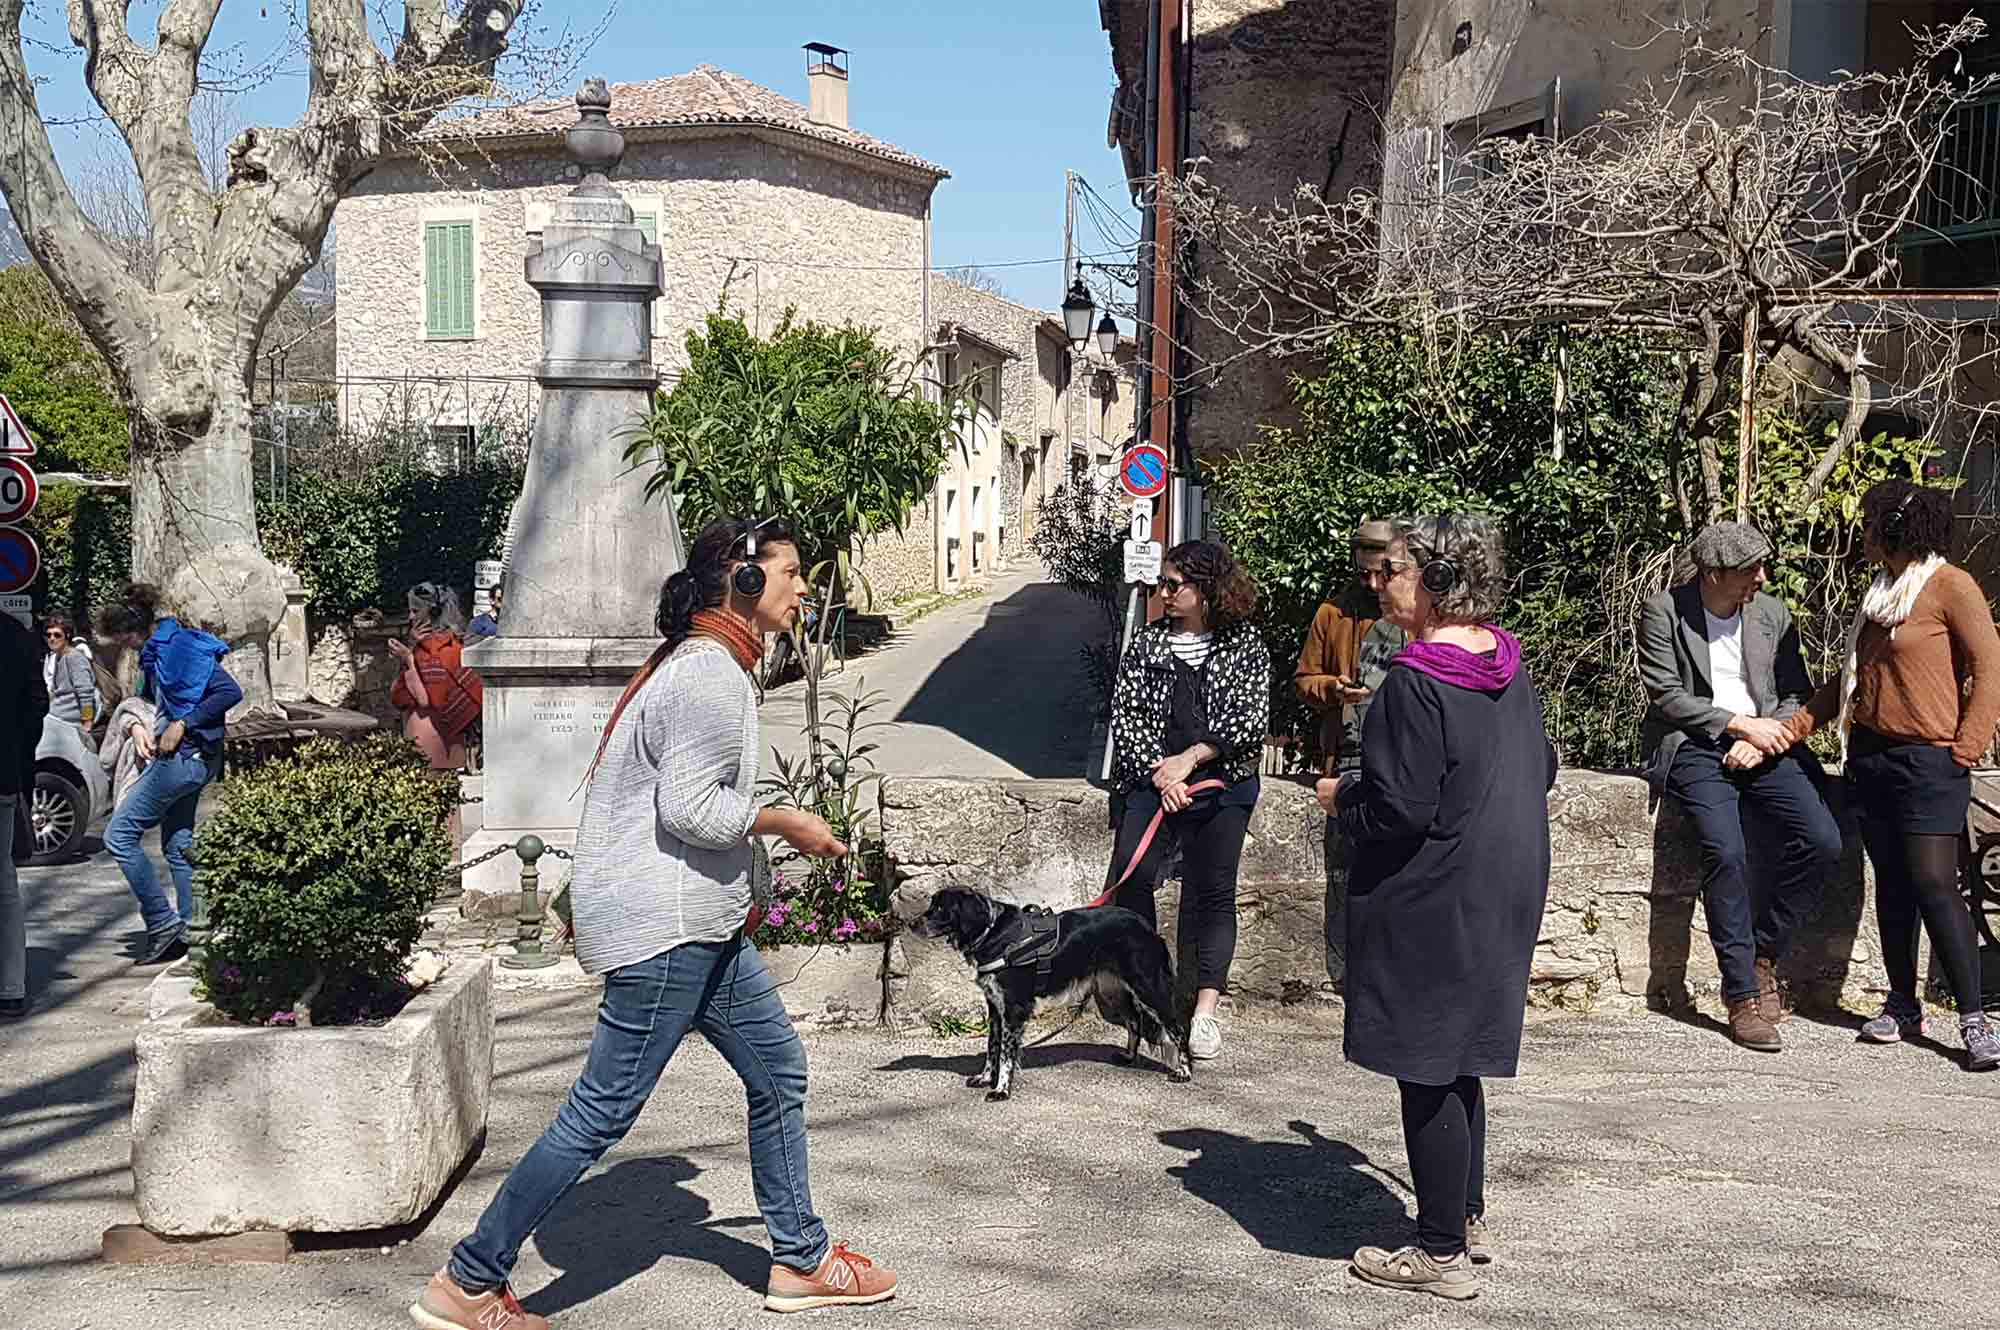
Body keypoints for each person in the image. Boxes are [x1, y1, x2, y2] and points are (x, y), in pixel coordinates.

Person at [411, 518, 898, 1330]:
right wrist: (786, 822)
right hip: (668, 929)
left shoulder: (703, 664)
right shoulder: (710, 673)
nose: (804, 587)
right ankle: (469, 1280)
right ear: (742, 585)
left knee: (779, 1074)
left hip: (699, 925)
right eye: (790, 572)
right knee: (601, 1109)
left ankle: (801, 1259)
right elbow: (693, 809)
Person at [1316, 515, 1553, 1302]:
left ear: (1442, 582)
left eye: (1395, 570)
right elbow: (1542, 766)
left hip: (1434, 887)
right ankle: (1464, 1214)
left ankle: (1440, 1252)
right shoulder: (1507, 663)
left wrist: (1340, 797)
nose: (1377, 583)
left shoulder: (1418, 682)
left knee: (1426, 1063)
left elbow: (1400, 810)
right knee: (1462, 1057)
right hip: (1506, 878)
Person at [1777, 480, 2000, 1073]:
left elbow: (1989, 664)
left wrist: (1966, 747)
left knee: (1934, 882)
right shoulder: (1881, 596)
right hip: (1871, 756)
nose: (1864, 534)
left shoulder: (1951, 586)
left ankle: (1975, 1019)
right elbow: (1850, 680)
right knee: (1894, 885)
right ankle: (1903, 1005)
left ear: (1895, 531)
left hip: (1930, 760)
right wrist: (1797, 725)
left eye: (1872, 524)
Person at [1634, 521, 1843, 1051]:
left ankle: (1763, 952)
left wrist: (1764, 735)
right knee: (1726, 853)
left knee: (1823, 840)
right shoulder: (1665, 611)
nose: (1762, 576)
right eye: (1751, 568)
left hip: (1764, 741)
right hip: (1696, 744)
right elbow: (1665, 695)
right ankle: (1742, 995)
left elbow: (1798, 692)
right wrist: (1736, 724)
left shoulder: (1771, 613)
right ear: (1713, 574)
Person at [1105, 539, 1270, 1063]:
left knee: (1211, 892)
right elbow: (1125, 716)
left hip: (1223, 784)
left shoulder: (1244, 645)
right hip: (1155, 781)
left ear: (1206, 591)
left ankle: (1203, 1014)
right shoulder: (1148, 643)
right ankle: (1150, 997)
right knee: (1131, 879)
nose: (1164, 593)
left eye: (1174, 585)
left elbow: (1249, 719)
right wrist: (1164, 776)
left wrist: (1192, 760)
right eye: (1163, 583)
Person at [97, 584, 242, 966]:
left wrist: (182, 723)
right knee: (178, 843)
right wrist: (140, 726)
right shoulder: (158, 652)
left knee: (119, 835)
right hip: (192, 758)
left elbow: (229, 691)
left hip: (186, 757)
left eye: (122, 640)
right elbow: (150, 704)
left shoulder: (177, 649)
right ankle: (195, 931)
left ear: (133, 631)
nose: (124, 648)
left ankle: (163, 923)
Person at [1293, 519, 1408, 779]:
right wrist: (1334, 688)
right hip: (1345, 759)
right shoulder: (1331, 614)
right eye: (1364, 574)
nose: (1374, 584)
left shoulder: (1419, 616)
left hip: (1403, 757)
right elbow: (1303, 681)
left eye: (1384, 573)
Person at [2, 609, 49, 1019]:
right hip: (3, 774)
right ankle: (11, 985)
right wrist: (17, 753)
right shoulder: (15, 635)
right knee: (4, 883)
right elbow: (38, 704)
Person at [41, 615, 98, 734]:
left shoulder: (74, 657)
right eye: (48, 635)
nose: (52, 639)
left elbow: (86, 692)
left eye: (57, 635)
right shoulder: (58, 656)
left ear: (67, 636)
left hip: (69, 720)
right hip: (57, 713)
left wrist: (87, 722)